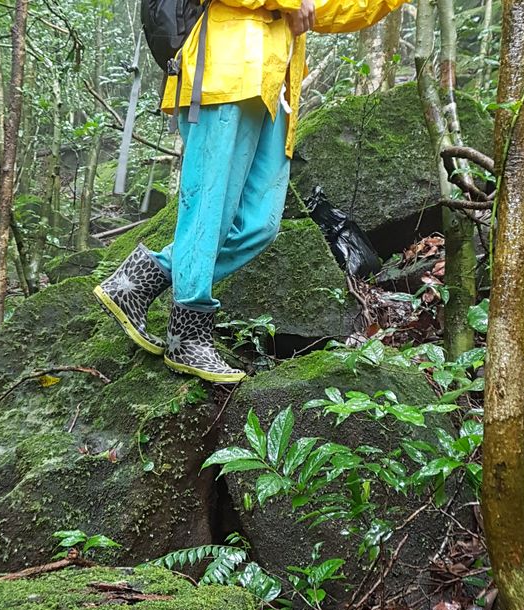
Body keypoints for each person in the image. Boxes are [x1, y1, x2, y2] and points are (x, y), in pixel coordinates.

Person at [95, 0, 407, 383]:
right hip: (223, 70)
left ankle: (140, 282)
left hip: (273, 84)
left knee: (260, 223)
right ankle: (187, 337)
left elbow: (326, 11)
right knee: (209, 212)